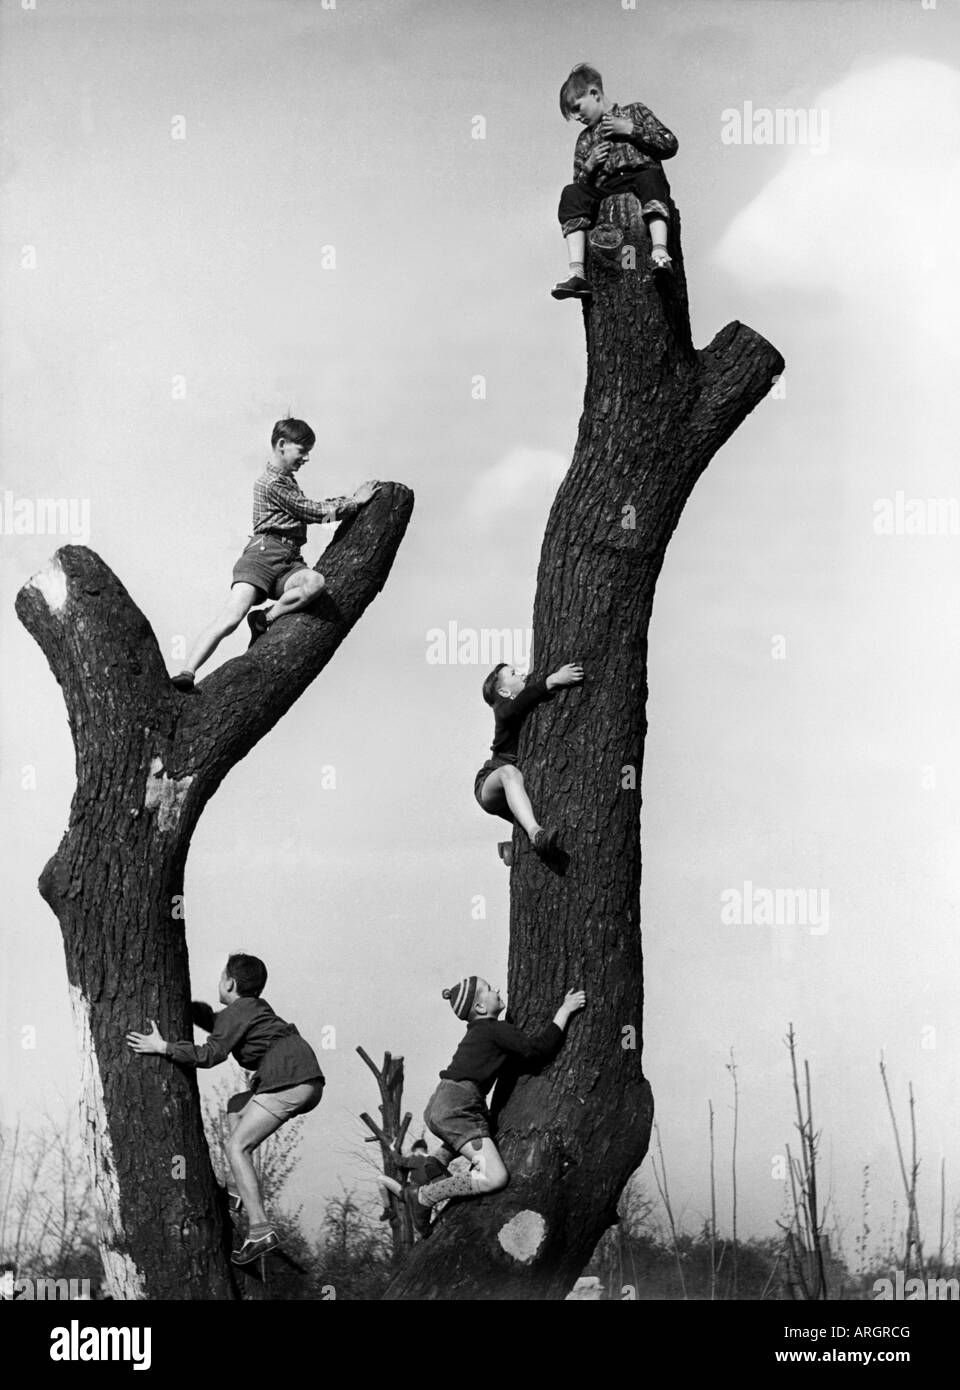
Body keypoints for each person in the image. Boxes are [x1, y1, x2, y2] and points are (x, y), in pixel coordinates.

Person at [126, 953, 324, 1265]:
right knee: (236, 1108)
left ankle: (260, 1230)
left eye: (221, 976)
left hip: (289, 1077)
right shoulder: (253, 1009)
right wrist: (192, 1010)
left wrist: (163, 1047)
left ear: (229, 982)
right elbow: (219, 1023)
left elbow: (210, 1054)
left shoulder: (239, 1010)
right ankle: (236, 1188)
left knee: (236, 1146)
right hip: (304, 1078)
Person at [170, 417, 379, 689]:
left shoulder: (288, 482)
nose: (306, 458)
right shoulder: (270, 483)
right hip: (262, 555)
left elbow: (308, 506)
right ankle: (187, 671)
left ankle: (265, 618)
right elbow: (312, 512)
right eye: (302, 450)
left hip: (289, 560)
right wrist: (354, 502)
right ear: (282, 445)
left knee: (315, 583)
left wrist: (348, 501)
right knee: (231, 616)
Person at [411, 977, 586, 1226]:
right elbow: (539, 1051)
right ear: (481, 1008)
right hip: (458, 1107)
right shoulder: (496, 1029)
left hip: (443, 1102)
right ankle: (425, 1197)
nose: (498, 990)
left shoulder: (478, 1034)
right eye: (490, 990)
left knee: (485, 1126)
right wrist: (564, 1010)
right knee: (495, 1177)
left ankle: (438, 1160)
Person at [551, 63, 678, 300]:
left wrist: (631, 129)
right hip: (606, 192)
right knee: (571, 193)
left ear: (595, 94)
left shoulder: (635, 112)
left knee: (651, 177)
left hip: (641, 180)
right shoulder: (585, 139)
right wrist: (588, 166)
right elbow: (579, 185)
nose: (577, 117)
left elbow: (670, 144)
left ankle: (660, 253)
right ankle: (577, 272)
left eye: (577, 108)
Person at [474, 661, 583, 856]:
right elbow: (515, 707)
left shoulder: (523, 703)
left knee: (535, 808)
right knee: (510, 773)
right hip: (492, 780)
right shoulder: (502, 709)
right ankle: (536, 835)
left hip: (517, 784)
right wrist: (552, 680)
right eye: (514, 674)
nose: (523, 675)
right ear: (505, 693)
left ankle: (514, 848)